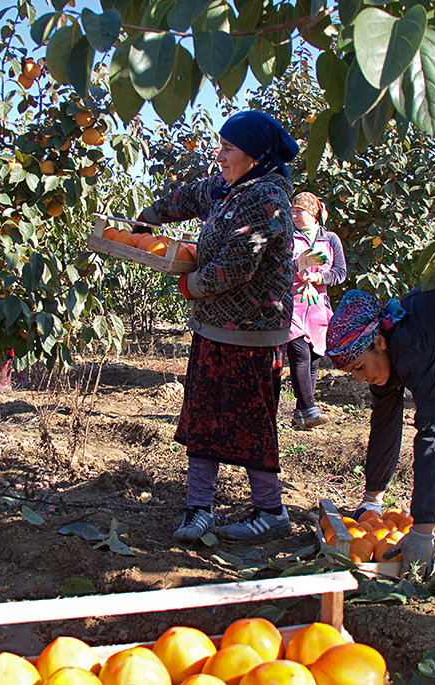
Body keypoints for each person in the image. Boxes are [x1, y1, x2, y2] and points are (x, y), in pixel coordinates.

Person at [133, 111, 299, 543]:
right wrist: (149, 217)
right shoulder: (227, 189)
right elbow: (188, 196)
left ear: (255, 156)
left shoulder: (266, 199)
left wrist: (191, 284)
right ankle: (198, 509)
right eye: (220, 145)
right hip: (214, 329)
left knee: (251, 422)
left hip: (252, 335)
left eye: (228, 148)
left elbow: (237, 266)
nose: (219, 155)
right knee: (202, 417)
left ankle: (271, 511)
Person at [324, 273, 435, 573]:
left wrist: (421, 532)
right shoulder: (388, 349)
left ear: (379, 342)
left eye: (359, 368)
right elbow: (384, 423)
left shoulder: (418, 349)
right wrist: (372, 501)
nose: (360, 379)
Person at [287, 192, 347, 429]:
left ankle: (301, 414)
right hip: (291, 304)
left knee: (312, 359)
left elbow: (340, 272)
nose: (294, 215)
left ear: (313, 213)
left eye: (299, 211)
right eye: (292, 211)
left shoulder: (330, 239)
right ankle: (310, 409)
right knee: (299, 353)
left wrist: (320, 275)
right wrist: (296, 265)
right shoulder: (288, 238)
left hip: (317, 306)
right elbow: (278, 266)